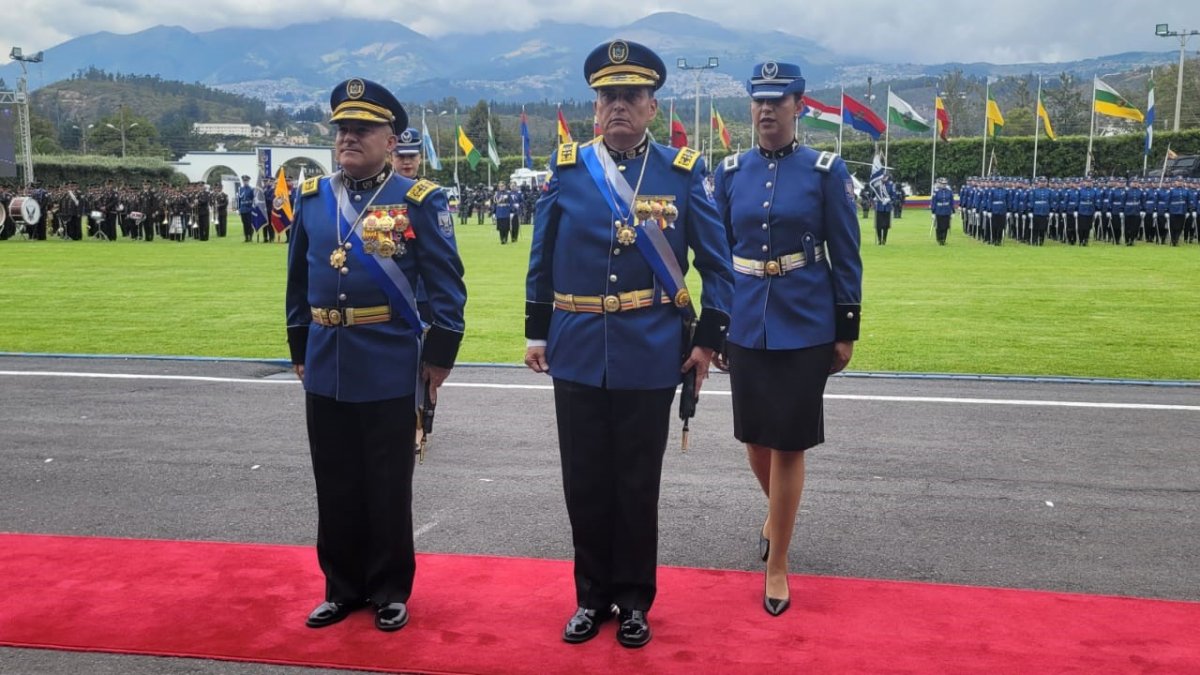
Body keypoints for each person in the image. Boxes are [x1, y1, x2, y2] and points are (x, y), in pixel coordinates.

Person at [524, 39, 732, 648]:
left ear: (651, 106)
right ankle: (591, 598)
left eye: (631, 96)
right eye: (608, 96)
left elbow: (718, 268)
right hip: (579, 347)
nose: (619, 106)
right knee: (584, 480)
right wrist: (538, 332)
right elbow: (541, 263)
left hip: (650, 349)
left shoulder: (683, 173)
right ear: (595, 107)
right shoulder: (568, 172)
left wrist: (706, 342)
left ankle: (636, 601)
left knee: (638, 482)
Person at [285, 77, 467, 633]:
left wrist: (438, 357)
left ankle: (389, 589)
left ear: (392, 140)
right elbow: (297, 280)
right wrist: (299, 347)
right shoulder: (313, 197)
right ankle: (341, 587)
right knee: (334, 480)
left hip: (389, 358)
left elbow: (447, 286)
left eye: (362, 130)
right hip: (326, 357)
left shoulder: (418, 200)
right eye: (342, 129)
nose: (348, 139)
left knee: (387, 484)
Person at [712, 61, 862, 617]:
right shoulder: (729, 172)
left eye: (778, 100)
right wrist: (717, 321)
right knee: (755, 439)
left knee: (790, 440)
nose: (767, 110)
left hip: (805, 320)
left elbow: (846, 253)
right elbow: (718, 254)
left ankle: (778, 562)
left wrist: (846, 329)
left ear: (800, 104)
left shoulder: (825, 171)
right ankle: (776, 518)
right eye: (759, 101)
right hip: (748, 316)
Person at [931, 177, 955, 245]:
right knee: (939, 226)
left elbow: (951, 202)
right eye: (942, 184)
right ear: (940, 184)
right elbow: (933, 202)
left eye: (945, 184)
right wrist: (933, 212)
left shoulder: (949, 192)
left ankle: (944, 239)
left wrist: (953, 211)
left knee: (946, 226)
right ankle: (939, 239)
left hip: (947, 211)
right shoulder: (936, 192)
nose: (944, 185)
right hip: (939, 211)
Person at [237, 175, 256, 242]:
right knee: (244, 224)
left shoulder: (251, 189)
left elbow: (254, 199)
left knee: (249, 224)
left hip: (249, 209)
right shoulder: (241, 189)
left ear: (248, 181)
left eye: (246, 181)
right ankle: (246, 237)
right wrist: (238, 209)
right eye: (244, 181)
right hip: (243, 209)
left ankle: (250, 236)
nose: (245, 182)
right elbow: (239, 200)